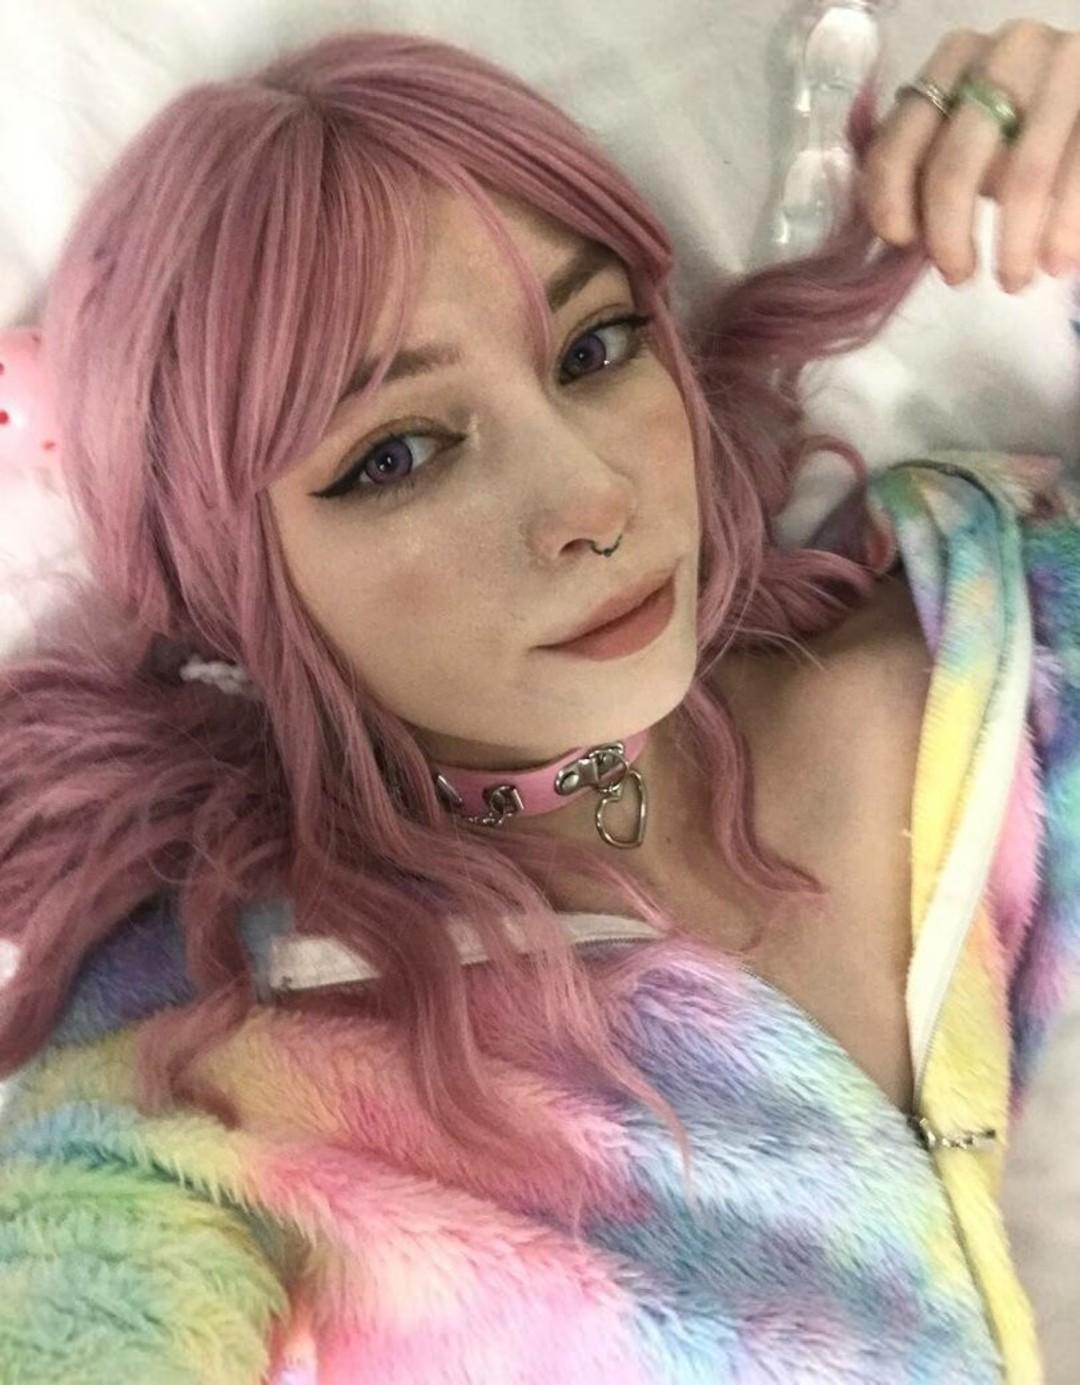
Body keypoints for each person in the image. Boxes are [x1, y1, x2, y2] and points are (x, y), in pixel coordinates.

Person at [0, 18, 1076, 1383]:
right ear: (225, 577)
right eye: (396, 454)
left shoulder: (985, 630)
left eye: (594, 347)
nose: (593, 498)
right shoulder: (198, 1065)